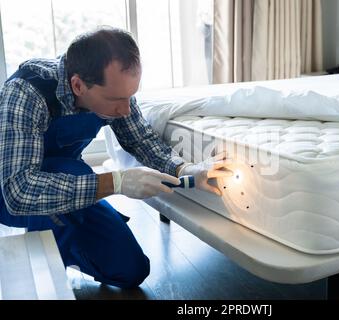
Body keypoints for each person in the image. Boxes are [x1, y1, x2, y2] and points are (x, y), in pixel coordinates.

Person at [0, 27, 232, 289]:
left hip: (67, 189)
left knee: (130, 271)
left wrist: (186, 169)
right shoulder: (26, 92)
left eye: (130, 97)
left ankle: (63, 241)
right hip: (10, 193)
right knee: (72, 171)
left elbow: (140, 139)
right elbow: (18, 191)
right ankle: (45, 277)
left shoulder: (113, 93)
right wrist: (116, 183)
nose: (125, 109)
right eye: (116, 100)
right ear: (78, 85)